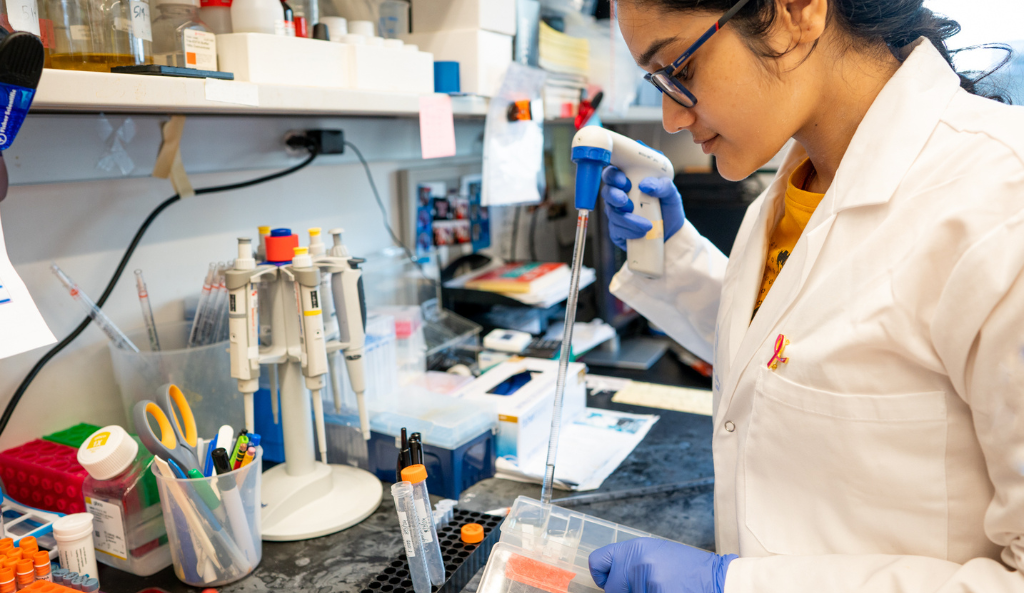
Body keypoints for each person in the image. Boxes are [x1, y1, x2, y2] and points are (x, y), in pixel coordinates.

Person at [589, 0, 1024, 592]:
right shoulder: (791, 190)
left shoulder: (1003, 201)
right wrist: (672, 257)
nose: (669, 116)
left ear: (796, 12)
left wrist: (734, 585)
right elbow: (794, 356)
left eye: (679, 70)